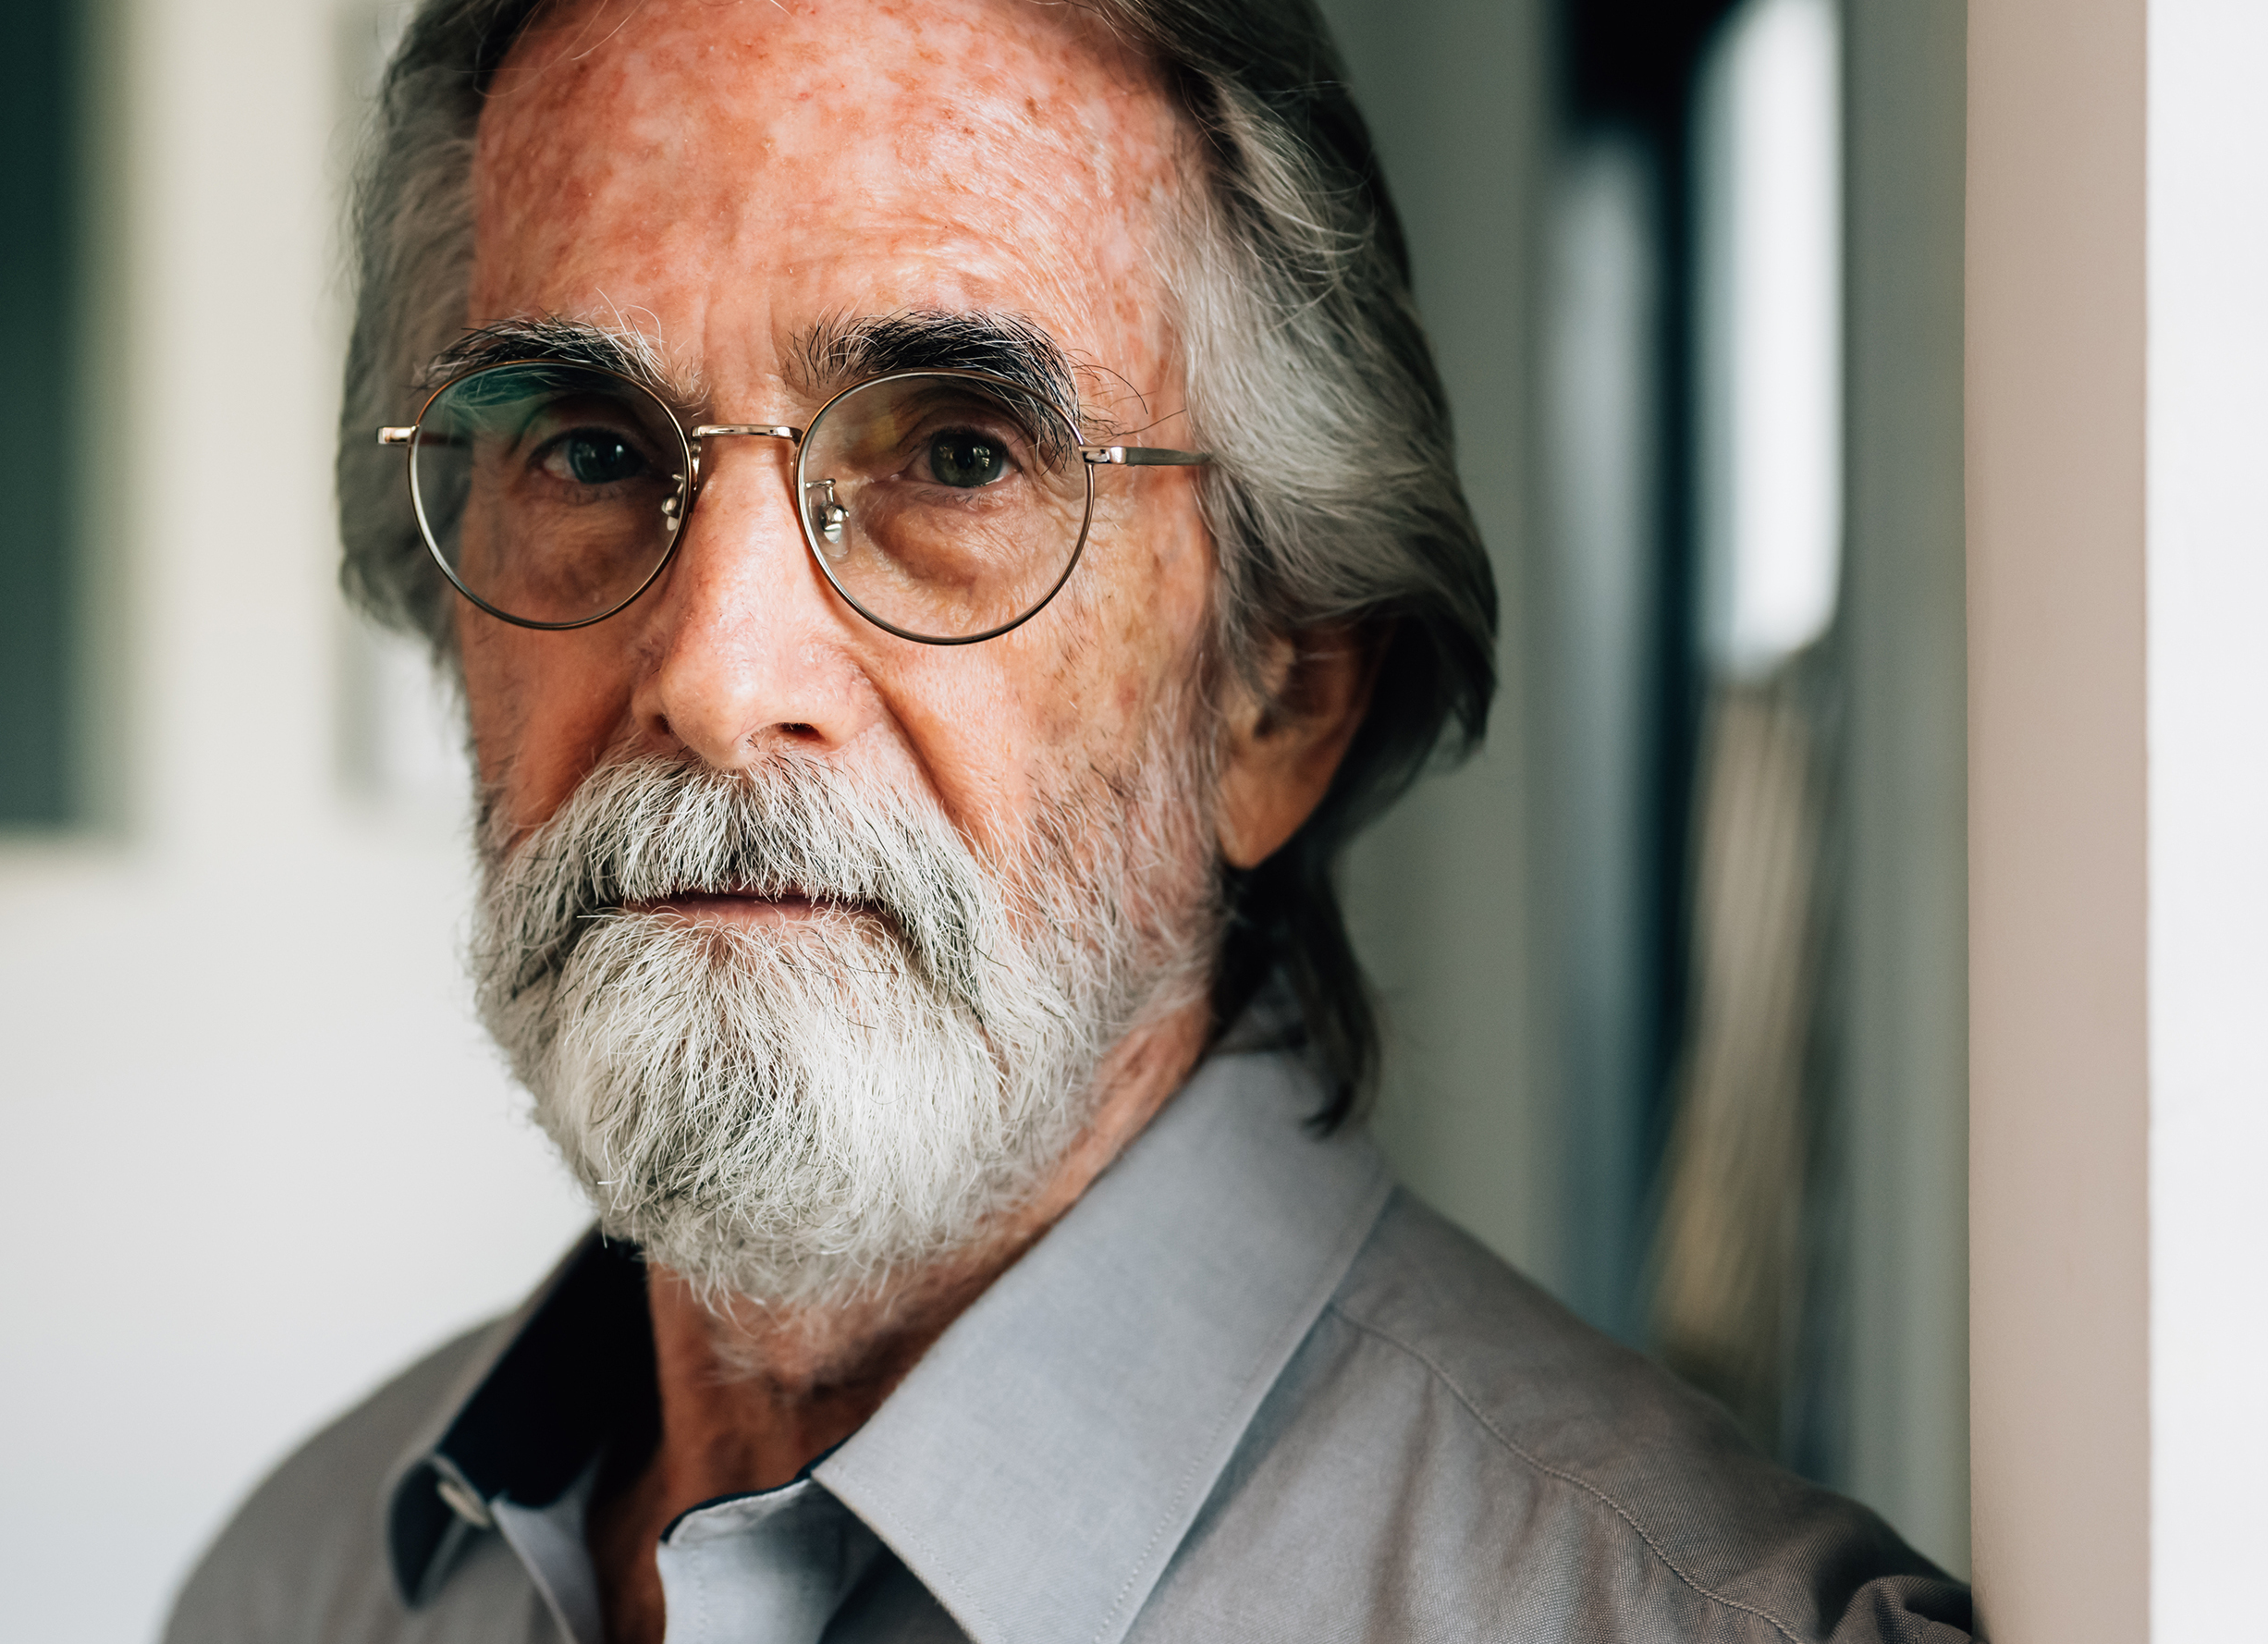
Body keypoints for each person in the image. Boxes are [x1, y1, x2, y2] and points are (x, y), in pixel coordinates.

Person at [166, 1, 1975, 1639]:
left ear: (1273, 697)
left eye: (956, 451)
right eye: (584, 446)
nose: (715, 675)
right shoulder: (293, 1584)